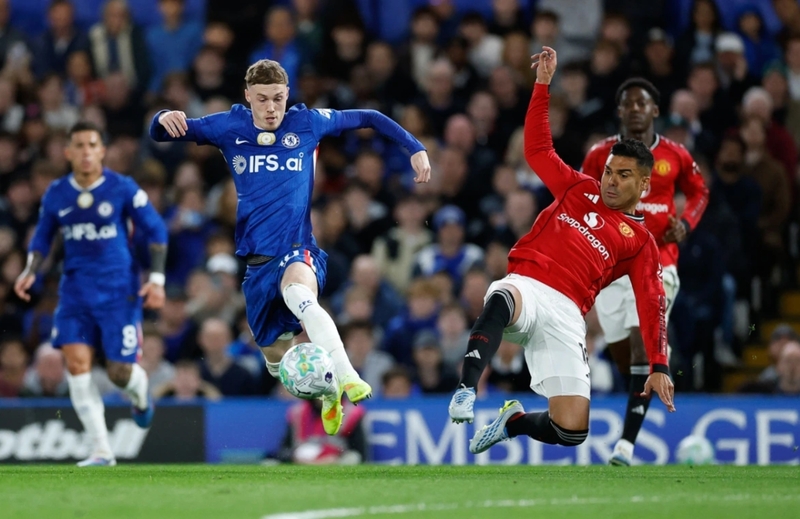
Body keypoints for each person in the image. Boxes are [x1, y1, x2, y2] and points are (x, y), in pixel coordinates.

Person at [150, 59, 431, 436]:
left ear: (287, 96)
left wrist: (414, 147)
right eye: (262, 99)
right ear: (247, 96)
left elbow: (369, 117)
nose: (271, 108)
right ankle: (328, 392)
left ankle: (347, 375)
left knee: (300, 292)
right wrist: (164, 116)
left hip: (298, 249)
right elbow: (160, 133)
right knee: (278, 363)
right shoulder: (229, 127)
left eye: (278, 99)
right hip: (257, 265)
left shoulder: (307, 123)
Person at [447, 46, 675, 455]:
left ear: (644, 185)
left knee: (571, 431)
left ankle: (513, 422)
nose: (611, 181)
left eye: (624, 175)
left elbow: (652, 301)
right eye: (609, 171)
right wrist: (542, 86)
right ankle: (466, 389)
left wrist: (658, 364)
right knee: (503, 296)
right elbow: (537, 151)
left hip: (569, 314)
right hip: (530, 284)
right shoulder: (579, 188)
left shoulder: (641, 242)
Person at [14, 121, 168, 467]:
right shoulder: (57, 193)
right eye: (79, 146)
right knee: (77, 365)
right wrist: (30, 270)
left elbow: (156, 229)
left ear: (102, 151)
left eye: (92, 145)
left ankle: (141, 394)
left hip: (119, 293)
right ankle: (101, 450)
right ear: (68, 152)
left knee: (119, 373)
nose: (86, 152)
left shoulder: (121, 188)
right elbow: (42, 237)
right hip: (75, 293)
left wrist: (157, 279)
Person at [581, 77, 708, 466]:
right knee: (625, 358)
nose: (636, 109)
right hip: (612, 266)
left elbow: (700, 191)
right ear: (620, 111)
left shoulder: (676, 154)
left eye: (643, 103)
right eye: (629, 104)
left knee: (642, 344)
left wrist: (686, 223)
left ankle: (625, 445)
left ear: (655, 110)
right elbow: (581, 197)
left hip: (659, 261)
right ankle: (647, 376)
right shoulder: (599, 155)